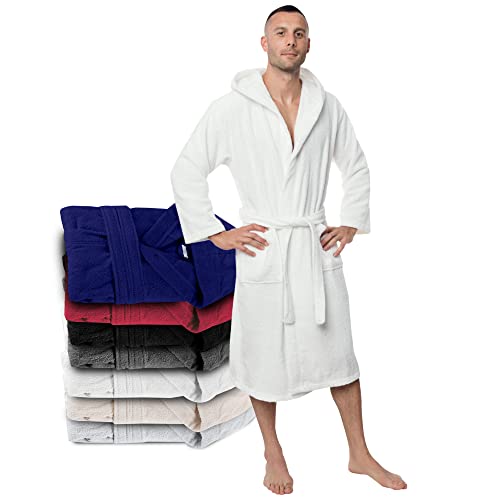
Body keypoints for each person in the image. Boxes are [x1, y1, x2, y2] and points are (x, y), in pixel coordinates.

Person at [170, 4, 407, 495]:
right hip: (266, 247)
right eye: (280, 32)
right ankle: (272, 451)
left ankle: (359, 453)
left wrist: (351, 222)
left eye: (299, 33)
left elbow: (356, 165)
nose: (290, 41)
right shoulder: (231, 109)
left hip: (312, 245)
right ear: (264, 43)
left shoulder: (327, 105)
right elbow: (187, 169)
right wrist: (215, 233)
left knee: (340, 354)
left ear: (308, 44)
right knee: (262, 357)